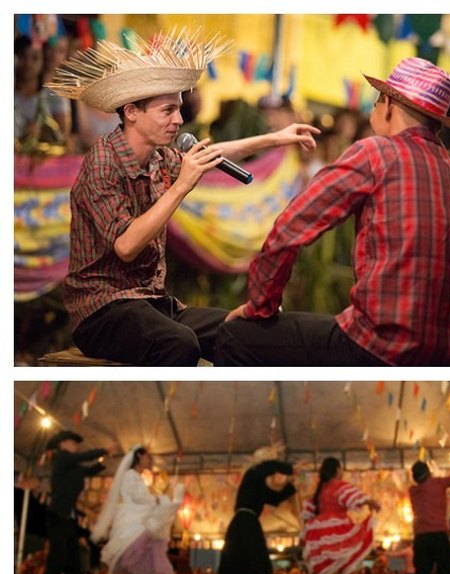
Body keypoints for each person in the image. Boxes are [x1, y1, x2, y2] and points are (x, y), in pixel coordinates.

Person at [44, 29, 318, 366]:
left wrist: (276, 138)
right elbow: (126, 246)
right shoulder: (103, 163)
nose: (180, 120)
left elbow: (210, 152)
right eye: (168, 110)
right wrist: (180, 187)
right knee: (179, 343)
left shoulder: (159, 157)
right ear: (132, 111)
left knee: (240, 331)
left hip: (151, 303)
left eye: (179, 109)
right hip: (101, 311)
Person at [217, 57, 450, 367]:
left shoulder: (376, 152)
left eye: (376, 101)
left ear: (388, 104)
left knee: (236, 336)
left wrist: (260, 305)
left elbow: (290, 228)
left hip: (381, 347)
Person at [89, 446, 184, 574]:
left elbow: (143, 499)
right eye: (148, 456)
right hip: (132, 527)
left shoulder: (137, 478)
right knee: (121, 571)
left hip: (142, 526)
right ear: (139, 456)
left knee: (144, 573)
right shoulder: (130, 476)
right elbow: (140, 499)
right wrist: (160, 500)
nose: (150, 460)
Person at [30, 431, 109, 574]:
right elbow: (82, 458)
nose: (76, 446)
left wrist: (103, 460)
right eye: (74, 443)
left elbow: (88, 470)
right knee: (57, 562)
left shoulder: (72, 467)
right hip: (57, 517)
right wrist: (104, 449)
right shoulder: (62, 459)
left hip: (67, 519)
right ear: (63, 443)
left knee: (74, 566)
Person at [301, 457, 381, 574]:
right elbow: (352, 495)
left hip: (322, 532)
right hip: (334, 531)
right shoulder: (336, 485)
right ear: (337, 470)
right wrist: (371, 501)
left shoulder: (320, 489)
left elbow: (308, 511)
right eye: (341, 469)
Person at [217, 458, 297, 574]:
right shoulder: (252, 473)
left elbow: (274, 498)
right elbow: (270, 466)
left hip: (245, 523)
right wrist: (290, 468)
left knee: (239, 565)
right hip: (244, 522)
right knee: (251, 564)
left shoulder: (257, 485)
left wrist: (290, 486)